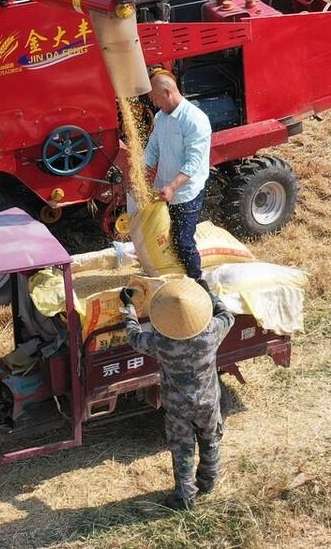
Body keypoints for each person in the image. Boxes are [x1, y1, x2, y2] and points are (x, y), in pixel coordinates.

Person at [120, 279, 234, 510]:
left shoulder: (161, 341)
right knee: (210, 440)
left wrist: (129, 308)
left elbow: (134, 337)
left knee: (182, 450)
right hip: (209, 400)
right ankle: (208, 482)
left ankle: (184, 496)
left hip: (177, 406)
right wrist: (208, 293)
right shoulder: (211, 331)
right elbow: (227, 316)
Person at [143, 70, 212, 279]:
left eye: (155, 98)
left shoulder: (194, 120)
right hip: (163, 189)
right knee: (165, 238)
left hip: (185, 193)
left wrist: (172, 187)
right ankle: (174, 276)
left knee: (183, 241)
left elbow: (193, 163)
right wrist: (138, 169)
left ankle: (196, 280)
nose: (154, 103)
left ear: (167, 92)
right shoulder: (161, 117)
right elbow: (153, 149)